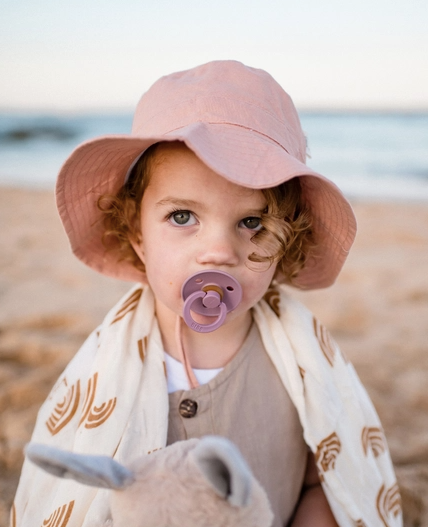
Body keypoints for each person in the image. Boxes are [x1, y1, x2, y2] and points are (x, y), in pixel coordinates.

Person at [12, 60, 402, 527]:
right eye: (182, 217)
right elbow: (79, 499)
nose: (218, 252)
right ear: (137, 231)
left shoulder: (302, 363)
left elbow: (332, 482)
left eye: (252, 223)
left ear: (288, 238)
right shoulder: (106, 368)